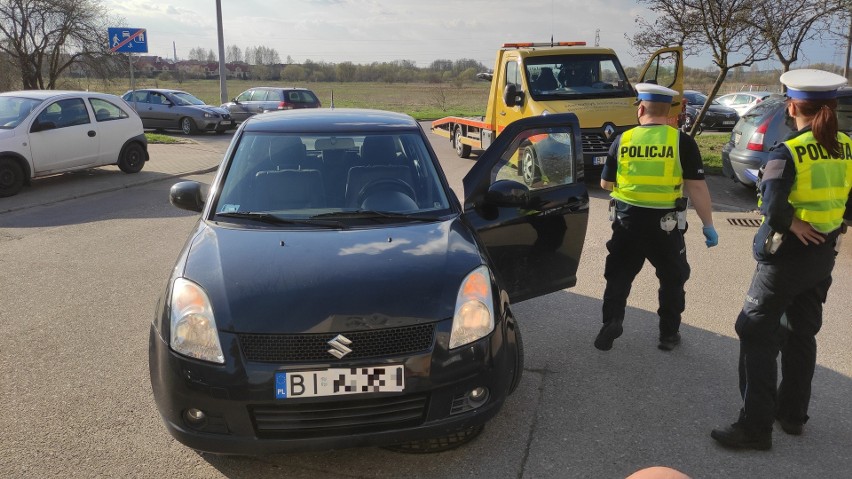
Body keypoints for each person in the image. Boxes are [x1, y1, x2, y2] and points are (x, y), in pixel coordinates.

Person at [711, 69, 851, 451]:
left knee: (755, 330)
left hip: (786, 257)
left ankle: (754, 427)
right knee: (801, 333)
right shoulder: (846, 146)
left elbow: (773, 207)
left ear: (791, 105)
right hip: (822, 255)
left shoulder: (787, 150)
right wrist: (830, 229)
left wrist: (794, 222)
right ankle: (792, 416)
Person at [595, 83, 717, 352]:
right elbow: (696, 187)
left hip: (626, 222)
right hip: (665, 226)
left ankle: (612, 321)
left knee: (619, 275)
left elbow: (605, 185)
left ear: (641, 108)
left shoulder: (623, 140)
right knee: (673, 278)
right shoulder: (681, 141)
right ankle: (668, 335)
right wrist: (709, 226)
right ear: (669, 113)